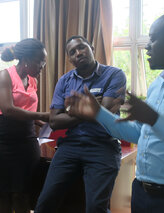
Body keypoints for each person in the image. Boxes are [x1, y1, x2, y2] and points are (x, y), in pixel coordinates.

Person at [65, 11, 164, 213]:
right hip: (141, 191)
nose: (147, 46)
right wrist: (98, 113)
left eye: (153, 39)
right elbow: (138, 134)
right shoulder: (158, 83)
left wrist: (154, 119)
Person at [35, 36, 126, 213]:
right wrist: (91, 107)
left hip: (103, 146)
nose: (78, 53)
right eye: (72, 52)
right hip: (70, 146)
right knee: (44, 203)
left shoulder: (114, 75)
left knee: (95, 208)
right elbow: (54, 121)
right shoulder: (65, 80)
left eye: (81, 47)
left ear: (91, 47)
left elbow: (105, 113)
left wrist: (72, 110)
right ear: (69, 59)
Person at [0, 38, 49, 213]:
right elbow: (8, 110)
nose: (43, 66)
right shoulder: (4, 75)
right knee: (4, 193)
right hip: (2, 140)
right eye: (40, 61)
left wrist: (43, 122)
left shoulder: (32, 80)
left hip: (27, 141)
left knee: (24, 192)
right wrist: (43, 115)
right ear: (27, 60)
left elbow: (26, 110)